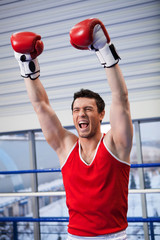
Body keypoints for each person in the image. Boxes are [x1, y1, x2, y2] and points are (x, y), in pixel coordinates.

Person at [11, 18, 133, 239]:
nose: (81, 114)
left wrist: (104, 49)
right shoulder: (66, 146)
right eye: (76, 110)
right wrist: (26, 64)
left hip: (114, 236)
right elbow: (41, 106)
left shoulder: (116, 144)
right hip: (74, 236)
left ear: (101, 114)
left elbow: (121, 98)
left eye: (88, 109)